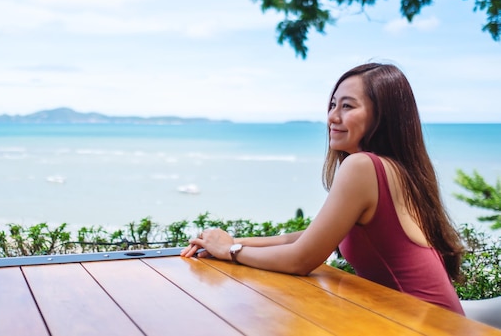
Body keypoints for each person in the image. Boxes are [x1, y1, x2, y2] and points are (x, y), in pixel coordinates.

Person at [180, 62, 465, 315]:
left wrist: (232, 251)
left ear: (382, 117)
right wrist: (230, 243)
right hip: (432, 322)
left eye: (348, 106)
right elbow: (304, 240)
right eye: (332, 105)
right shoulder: (400, 170)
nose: (332, 117)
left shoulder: (363, 167)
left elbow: (300, 259)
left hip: (426, 328)